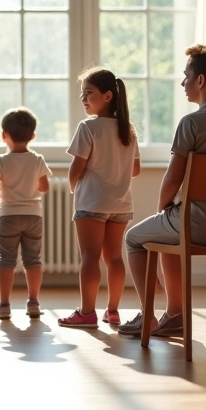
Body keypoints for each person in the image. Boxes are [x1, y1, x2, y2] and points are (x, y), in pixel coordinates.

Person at [117, 46, 206, 337]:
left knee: (134, 238)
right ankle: (175, 314)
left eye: (186, 76)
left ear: (201, 81)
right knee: (167, 228)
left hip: (197, 226)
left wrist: (162, 207)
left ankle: (149, 316)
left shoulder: (191, 123)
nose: (183, 83)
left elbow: (172, 179)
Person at [58, 68, 140, 329]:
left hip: (91, 204)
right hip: (121, 204)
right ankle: (113, 311)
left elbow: (77, 167)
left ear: (107, 96)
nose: (83, 98)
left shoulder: (88, 127)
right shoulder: (128, 129)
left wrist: (73, 188)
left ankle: (87, 312)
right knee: (114, 258)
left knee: (89, 258)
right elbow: (135, 169)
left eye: (89, 93)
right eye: (82, 94)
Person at [0, 107, 51, 320]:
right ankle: (33, 302)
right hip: (33, 215)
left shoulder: (1, 160)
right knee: (33, 259)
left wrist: (3, 189)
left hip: (8, 215)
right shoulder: (37, 159)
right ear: (33, 136)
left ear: (4, 134)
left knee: (6, 260)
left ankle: (4, 305)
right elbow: (44, 187)